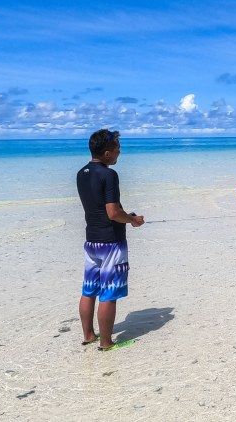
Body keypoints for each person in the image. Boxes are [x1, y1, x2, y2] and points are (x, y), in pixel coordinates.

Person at [76, 129, 144, 351]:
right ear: (107, 153)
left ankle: (88, 335)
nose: (119, 153)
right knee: (108, 293)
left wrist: (127, 217)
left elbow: (96, 207)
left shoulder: (81, 173)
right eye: (117, 149)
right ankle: (106, 343)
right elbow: (113, 212)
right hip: (111, 243)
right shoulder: (109, 175)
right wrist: (132, 220)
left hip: (92, 242)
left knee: (89, 290)